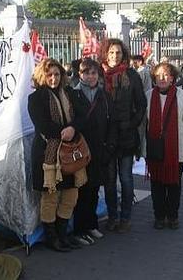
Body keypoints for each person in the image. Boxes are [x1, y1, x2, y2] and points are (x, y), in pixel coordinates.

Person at [28, 58, 86, 252]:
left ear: (62, 76)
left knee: (71, 195)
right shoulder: (35, 98)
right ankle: (51, 238)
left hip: (71, 154)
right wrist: (65, 131)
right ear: (42, 76)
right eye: (49, 74)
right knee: (51, 198)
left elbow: (82, 116)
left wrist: (73, 128)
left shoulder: (69, 93)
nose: (53, 78)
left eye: (57, 74)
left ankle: (63, 235)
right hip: (48, 155)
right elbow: (42, 125)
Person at [143, 62, 183, 230]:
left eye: (166, 75)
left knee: (174, 184)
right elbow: (143, 124)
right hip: (154, 149)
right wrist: (142, 149)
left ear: (172, 77)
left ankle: (173, 216)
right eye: (158, 75)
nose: (162, 78)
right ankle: (159, 216)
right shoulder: (148, 96)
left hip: (177, 150)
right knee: (157, 184)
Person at [100, 38, 146, 233]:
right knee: (109, 181)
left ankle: (125, 217)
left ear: (123, 54)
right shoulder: (100, 74)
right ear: (105, 54)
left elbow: (141, 104)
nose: (114, 56)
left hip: (126, 135)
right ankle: (112, 216)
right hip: (106, 136)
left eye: (118, 53)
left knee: (126, 178)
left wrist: (132, 124)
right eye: (111, 52)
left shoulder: (131, 75)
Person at [71, 58, 115, 245]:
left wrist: (109, 146)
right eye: (86, 73)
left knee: (95, 189)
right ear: (80, 74)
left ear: (98, 74)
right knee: (81, 191)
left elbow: (112, 122)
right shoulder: (73, 95)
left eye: (93, 73)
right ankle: (80, 229)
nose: (90, 76)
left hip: (100, 149)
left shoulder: (104, 95)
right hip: (80, 150)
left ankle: (91, 225)